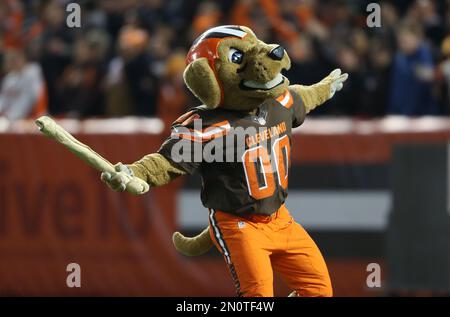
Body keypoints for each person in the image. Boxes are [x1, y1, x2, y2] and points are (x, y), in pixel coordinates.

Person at [0, 49, 47, 120]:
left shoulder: (33, 71)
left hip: (33, 116)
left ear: (23, 58)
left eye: (15, 59)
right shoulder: (9, 78)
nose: (14, 63)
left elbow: (35, 97)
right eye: (10, 60)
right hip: (11, 117)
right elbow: (3, 99)